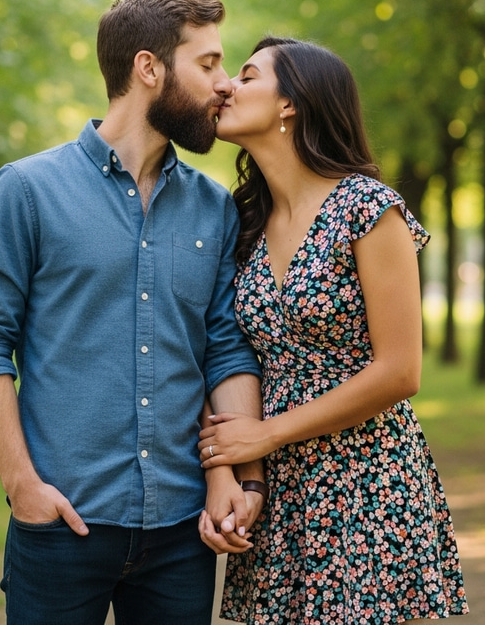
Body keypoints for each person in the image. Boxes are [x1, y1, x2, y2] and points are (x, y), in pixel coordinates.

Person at [0, 0, 266, 625]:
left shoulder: (214, 207)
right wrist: (22, 486)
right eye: (207, 64)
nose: (224, 84)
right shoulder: (28, 190)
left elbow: (225, 348)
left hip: (182, 531)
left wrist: (241, 477)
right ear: (149, 69)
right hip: (61, 522)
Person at [197, 37, 469, 624]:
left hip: (365, 475)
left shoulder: (369, 209)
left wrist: (268, 434)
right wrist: (235, 470)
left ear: (290, 104)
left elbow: (401, 371)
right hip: (279, 488)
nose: (226, 87)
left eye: (246, 77)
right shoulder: (242, 219)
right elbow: (215, 349)